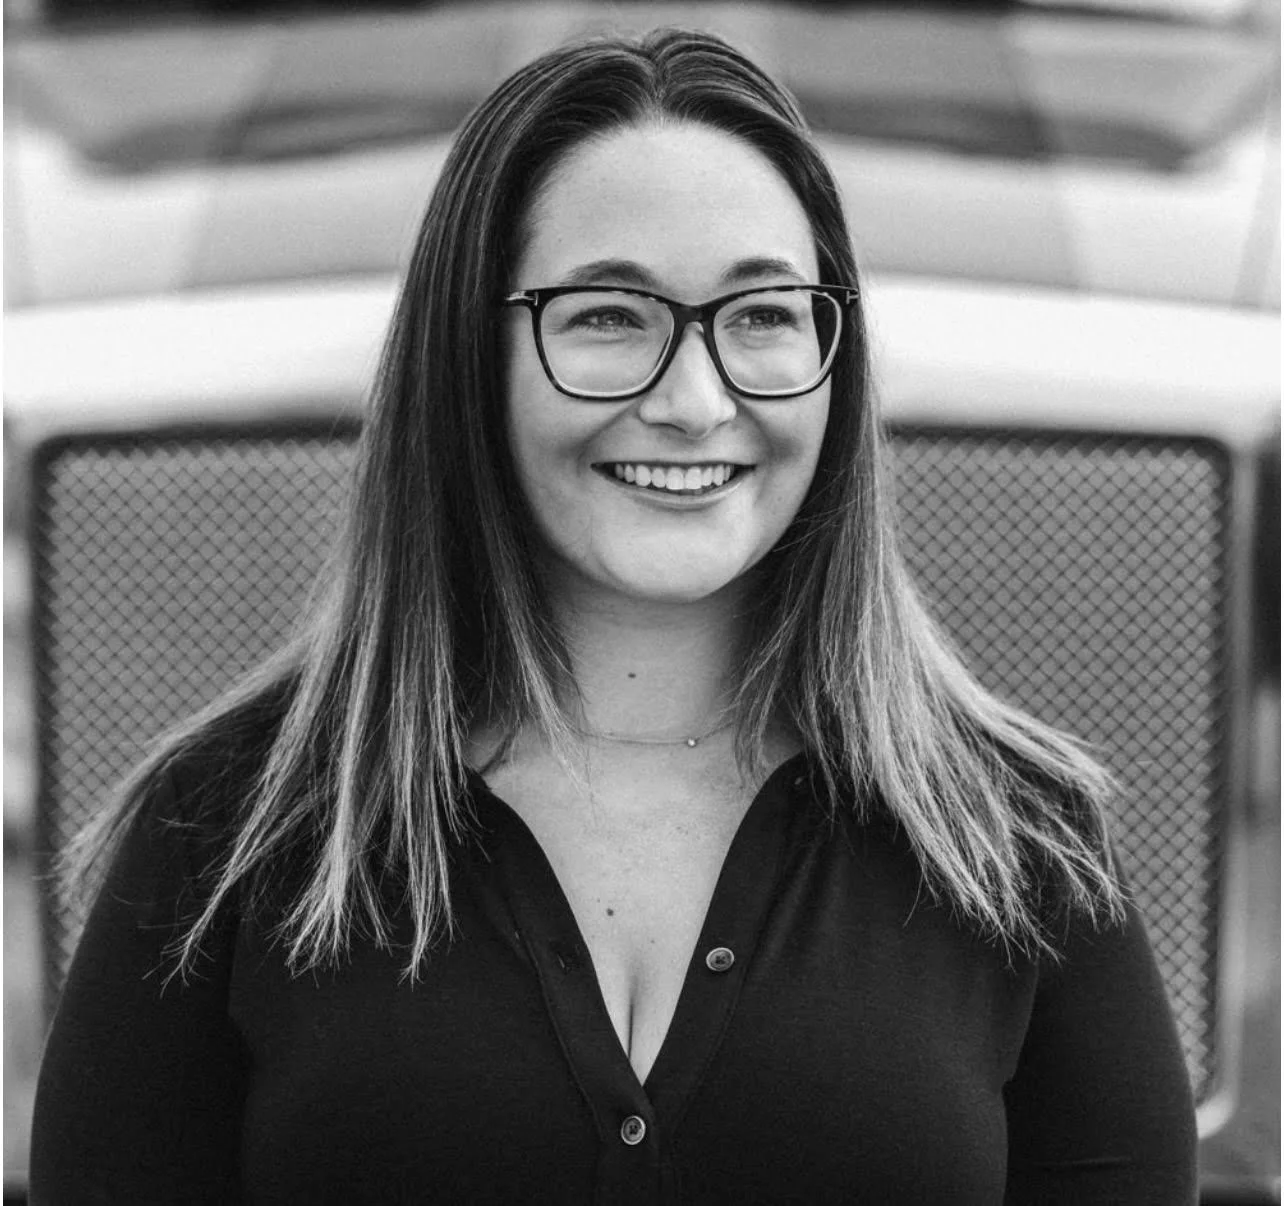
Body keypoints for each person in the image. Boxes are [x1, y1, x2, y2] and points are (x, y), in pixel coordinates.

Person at [30, 27, 1198, 1205]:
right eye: (604, 317)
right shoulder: (226, 836)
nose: (697, 403)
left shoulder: (1025, 849)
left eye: (764, 316)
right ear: (466, 357)